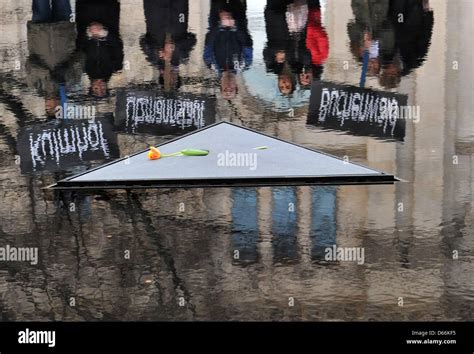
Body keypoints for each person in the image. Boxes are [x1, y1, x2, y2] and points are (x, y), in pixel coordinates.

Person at [26, 0, 82, 118]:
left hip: (39, 31)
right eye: (54, 108)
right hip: (64, 30)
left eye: (47, 108)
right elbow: (80, 58)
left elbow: (29, 65)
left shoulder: (36, 86)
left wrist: (48, 75)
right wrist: (67, 68)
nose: (50, 105)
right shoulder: (71, 83)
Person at [140, 0, 196, 92]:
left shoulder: (154, 58)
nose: (172, 79)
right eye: (174, 81)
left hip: (155, 6)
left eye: (170, 82)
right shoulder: (182, 57)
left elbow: (143, 41)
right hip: (178, 8)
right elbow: (192, 39)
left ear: (162, 77)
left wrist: (157, 51)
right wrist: (174, 46)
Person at [204, 0, 253, 100]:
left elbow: (209, 41)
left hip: (217, 19)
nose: (228, 87)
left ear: (221, 87)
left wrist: (220, 25)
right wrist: (234, 25)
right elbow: (247, 42)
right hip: (238, 19)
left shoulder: (210, 62)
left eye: (225, 90)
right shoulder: (245, 63)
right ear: (236, 87)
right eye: (231, 90)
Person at [75, 0, 124, 98]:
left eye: (96, 89)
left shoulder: (82, 68)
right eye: (102, 89)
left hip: (86, 14)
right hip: (108, 15)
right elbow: (117, 45)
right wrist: (103, 32)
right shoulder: (116, 66)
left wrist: (89, 32)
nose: (99, 86)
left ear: (91, 87)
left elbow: (79, 46)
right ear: (107, 87)